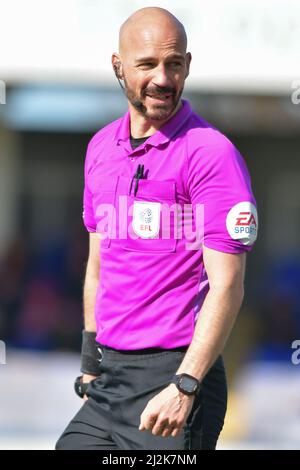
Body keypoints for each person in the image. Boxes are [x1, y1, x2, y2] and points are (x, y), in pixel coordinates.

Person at [55, 6, 258, 450]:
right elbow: (97, 266)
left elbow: (228, 286)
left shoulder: (211, 153)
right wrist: (91, 362)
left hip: (178, 377)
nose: (163, 78)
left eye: (174, 63)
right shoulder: (99, 148)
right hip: (109, 379)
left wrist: (185, 386)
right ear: (118, 67)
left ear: (188, 65)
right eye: (147, 64)